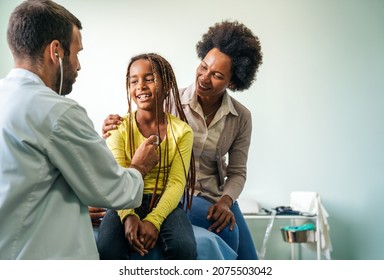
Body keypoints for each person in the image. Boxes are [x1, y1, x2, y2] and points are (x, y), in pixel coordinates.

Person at [0, 0, 158, 260]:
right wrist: (139, 166)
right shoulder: (58, 112)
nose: (78, 65)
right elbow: (114, 188)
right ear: (56, 51)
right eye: (77, 52)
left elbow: (25, 181)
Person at [102, 20, 263, 260]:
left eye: (217, 75)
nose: (205, 78)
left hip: (215, 194)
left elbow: (238, 172)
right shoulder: (167, 99)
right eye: (203, 67)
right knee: (230, 234)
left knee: (249, 258)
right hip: (183, 193)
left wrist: (226, 202)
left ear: (232, 82)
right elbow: (131, 131)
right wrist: (108, 127)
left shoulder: (241, 117)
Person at [97, 53, 197, 260]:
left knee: (184, 249)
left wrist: (154, 220)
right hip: (124, 201)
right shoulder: (119, 128)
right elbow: (118, 178)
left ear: (167, 84)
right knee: (107, 249)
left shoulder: (182, 131)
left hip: (164, 202)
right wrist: (128, 216)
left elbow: (176, 183)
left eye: (149, 79)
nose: (140, 86)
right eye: (134, 81)